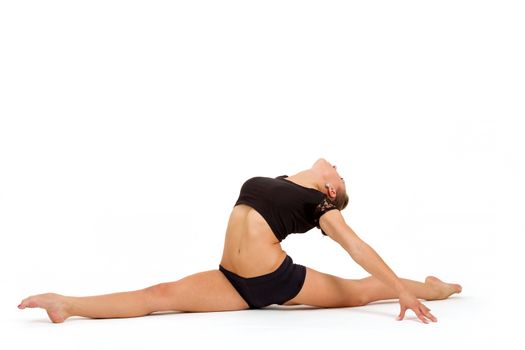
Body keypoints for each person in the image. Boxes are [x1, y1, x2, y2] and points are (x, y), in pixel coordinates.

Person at [18, 158, 461, 324]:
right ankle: (67, 304)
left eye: (341, 179)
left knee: (369, 290)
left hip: (275, 280)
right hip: (231, 279)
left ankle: (434, 288)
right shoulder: (280, 179)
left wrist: (402, 290)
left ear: (331, 191)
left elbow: (356, 247)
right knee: (156, 296)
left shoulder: (323, 206)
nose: (339, 168)